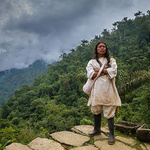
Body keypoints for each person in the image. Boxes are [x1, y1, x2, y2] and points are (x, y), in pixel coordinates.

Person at [86, 41, 121, 145]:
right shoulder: (91, 62)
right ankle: (97, 129)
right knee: (96, 108)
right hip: (96, 89)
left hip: (108, 88)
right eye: (99, 47)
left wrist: (99, 71)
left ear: (106, 49)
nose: (102, 48)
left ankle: (111, 134)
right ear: (96, 49)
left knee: (109, 110)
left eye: (103, 46)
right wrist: (106, 70)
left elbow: (114, 71)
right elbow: (90, 74)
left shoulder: (111, 60)